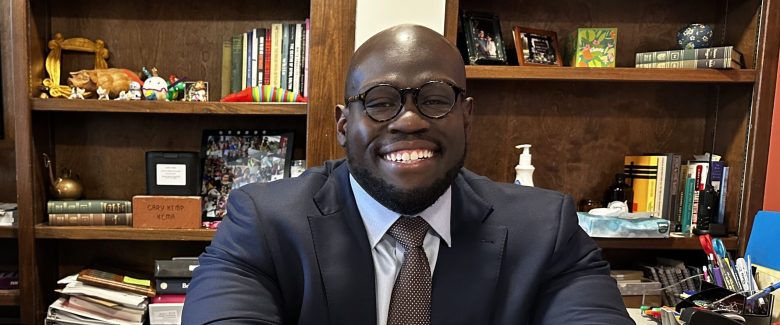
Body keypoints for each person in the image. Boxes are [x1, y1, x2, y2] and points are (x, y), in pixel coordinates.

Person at [182, 24, 632, 324]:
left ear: (466, 117)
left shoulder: (546, 230)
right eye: (380, 101)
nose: (410, 121)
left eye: (435, 99)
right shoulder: (263, 224)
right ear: (343, 124)